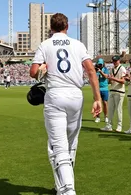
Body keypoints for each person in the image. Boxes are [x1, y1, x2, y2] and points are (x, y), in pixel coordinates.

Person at [29, 13, 101, 195]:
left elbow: (33, 72)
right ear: (67, 27)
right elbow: (91, 71)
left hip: (55, 94)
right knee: (71, 144)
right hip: (76, 95)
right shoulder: (78, 44)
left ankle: (68, 190)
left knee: (58, 147)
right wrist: (97, 99)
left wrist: (44, 67)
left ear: (50, 28)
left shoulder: (45, 44)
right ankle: (60, 186)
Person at [101, 55, 126, 132]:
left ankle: (119, 126)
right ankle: (109, 125)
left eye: (116, 61)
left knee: (119, 110)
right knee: (110, 109)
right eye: (113, 61)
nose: (114, 62)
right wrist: (109, 79)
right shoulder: (112, 69)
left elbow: (123, 81)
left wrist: (112, 78)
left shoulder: (122, 68)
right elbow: (111, 81)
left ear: (119, 61)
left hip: (119, 91)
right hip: (112, 90)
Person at [94, 58, 109, 123]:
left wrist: (100, 71)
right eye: (99, 64)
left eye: (101, 64)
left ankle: (106, 116)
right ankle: (98, 117)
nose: (100, 65)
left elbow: (106, 76)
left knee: (105, 103)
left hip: (104, 88)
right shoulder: (95, 70)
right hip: (97, 88)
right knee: (97, 103)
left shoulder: (105, 69)